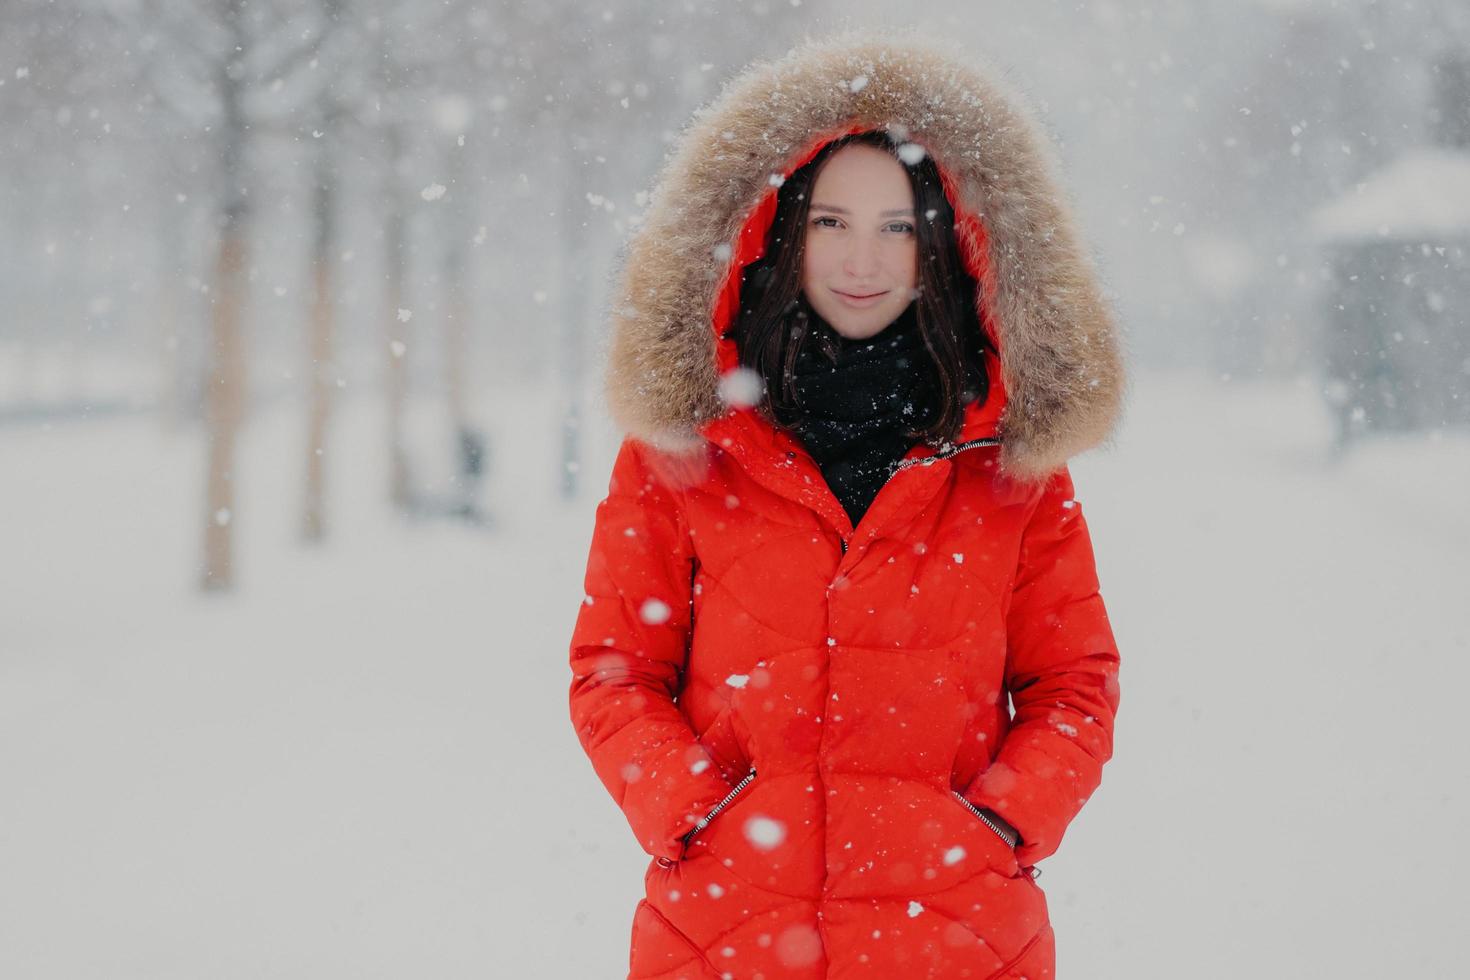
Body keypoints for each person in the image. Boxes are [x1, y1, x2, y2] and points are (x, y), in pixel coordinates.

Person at [568, 30, 1126, 979]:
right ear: (778, 232)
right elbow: (614, 672)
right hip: (724, 938)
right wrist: (696, 811)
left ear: (944, 243)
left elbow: (1074, 686)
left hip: (959, 938)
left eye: (897, 226)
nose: (861, 256)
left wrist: (999, 822)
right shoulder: (685, 450)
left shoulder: (1009, 462)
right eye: (831, 221)